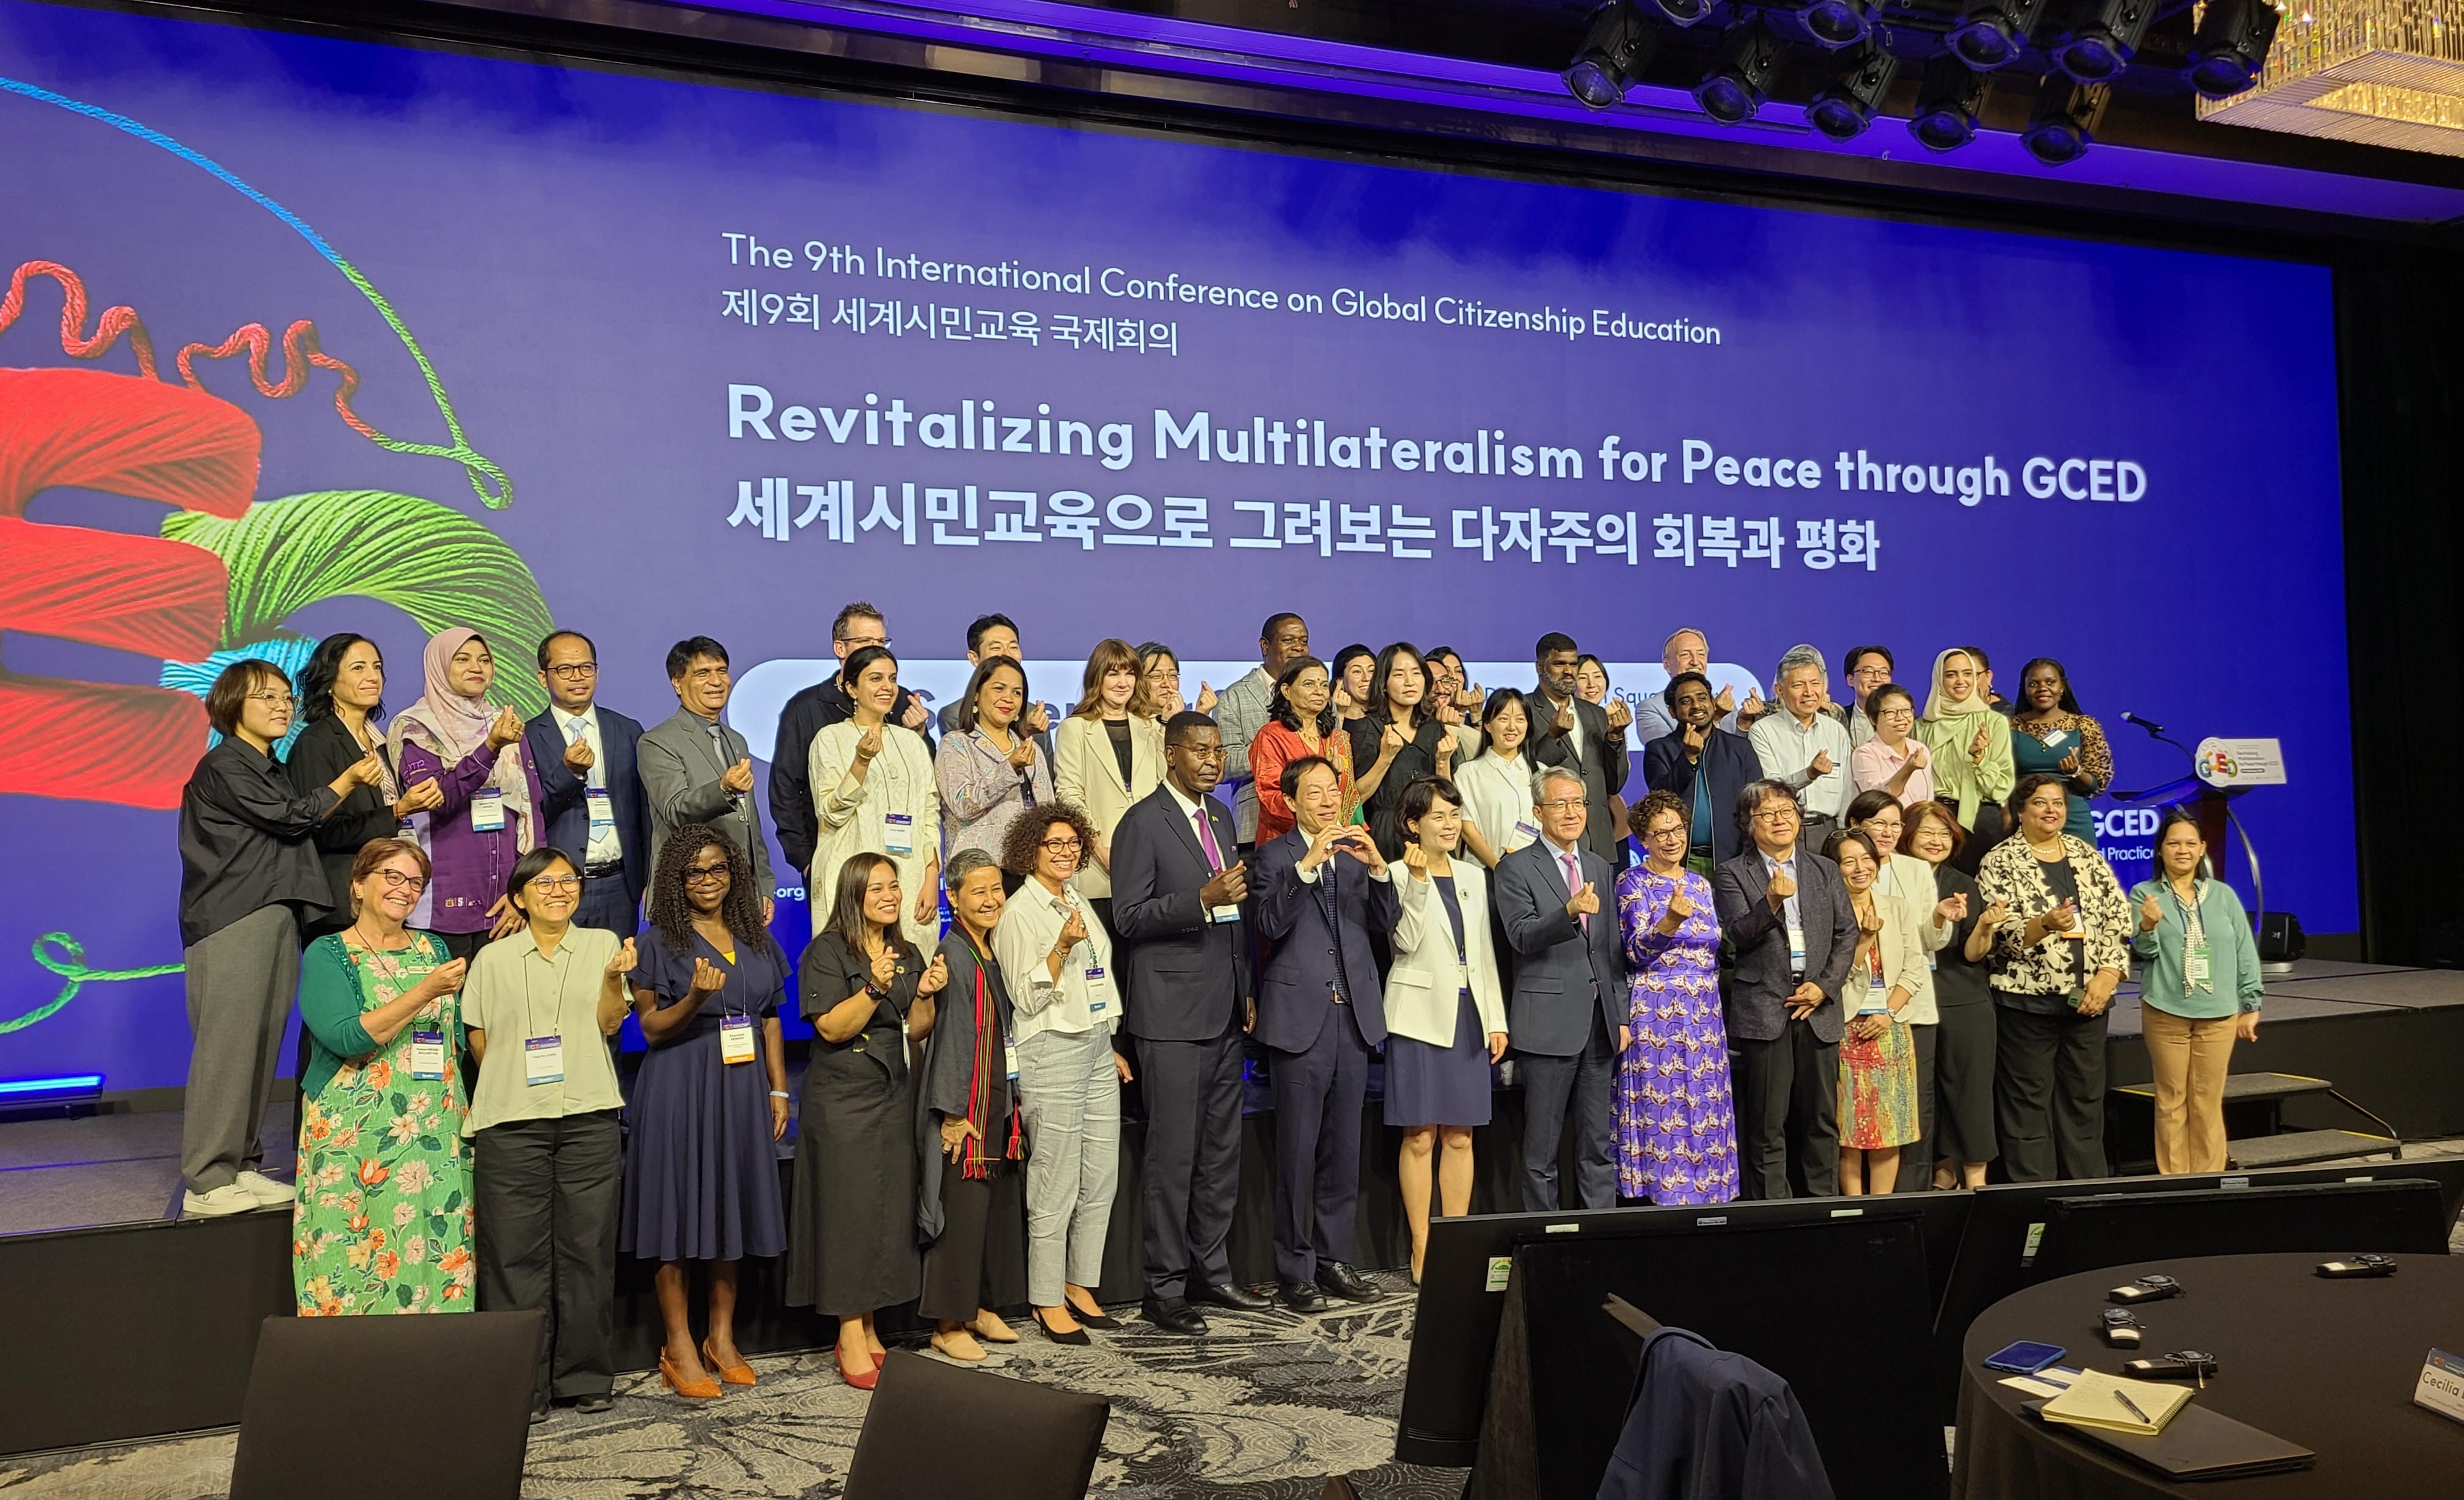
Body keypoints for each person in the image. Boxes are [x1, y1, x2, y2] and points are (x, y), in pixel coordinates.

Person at [177, 658, 384, 1216]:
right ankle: (205, 1180)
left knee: (260, 1043)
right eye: (264, 697)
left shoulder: (269, 765)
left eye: (284, 696)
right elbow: (293, 816)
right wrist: (347, 779)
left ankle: (241, 1164)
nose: (281, 705)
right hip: (232, 917)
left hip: (273, 912)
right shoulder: (225, 764)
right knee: (228, 1048)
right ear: (231, 707)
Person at [1110, 712, 1267, 1334]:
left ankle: (1213, 1272)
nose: (1212, 758)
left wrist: (1247, 986)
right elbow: (1128, 915)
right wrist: (1198, 901)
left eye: (1218, 748)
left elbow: (1236, 912)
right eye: (1200, 749)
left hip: (1226, 1007)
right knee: (1174, 1158)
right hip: (1171, 1015)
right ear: (1171, 754)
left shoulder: (1223, 817)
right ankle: (1164, 1287)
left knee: (1220, 1154)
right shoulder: (1142, 822)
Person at [622, 824, 790, 1399]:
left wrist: (779, 1089)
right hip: (678, 1084)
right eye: (695, 871)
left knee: (729, 1206)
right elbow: (650, 1028)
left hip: (742, 1088)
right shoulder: (655, 943)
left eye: (718, 869)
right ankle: (679, 1343)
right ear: (676, 878)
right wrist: (694, 997)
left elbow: (769, 1016)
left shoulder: (757, 938)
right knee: (676, 1212)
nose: (708, 881)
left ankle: (721, 1337)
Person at [463, 847, 632, 1416]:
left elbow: (612, 1024)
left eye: (568, 880)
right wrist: (519, 1084)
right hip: (511, 1120)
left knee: (587, 1251)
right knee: (514, 1257)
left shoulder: (604, 946)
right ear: (519, 897)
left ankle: (584, 1377)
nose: (559, 890)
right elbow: (479, 1042)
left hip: (588, 1117)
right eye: (544, 882)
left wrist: (613, 982)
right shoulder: (492, 959)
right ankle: (522, 1384)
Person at [787, 851, 947, 1388]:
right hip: (842, 1100)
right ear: (853, 894)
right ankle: (849, 1331)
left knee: (882, 1210)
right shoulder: (826, 950)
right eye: (876, 887)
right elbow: (831, 1027)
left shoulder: (906, 949)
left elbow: (917, 1028)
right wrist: (874, 988)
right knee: (847, 1215)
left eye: (894, 885)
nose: (890, 895)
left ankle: (873, 1325)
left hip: (892, 1093)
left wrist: (924, 993)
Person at [293, 838, 473, 1312]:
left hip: (434, 1130)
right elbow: (348, 1038)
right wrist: (426, 989)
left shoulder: (433, 946)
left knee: (436, 1249)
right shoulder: (328, 953)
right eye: (392, 876)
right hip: (356, 1133)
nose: (405, 889)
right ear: (358, 884)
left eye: (415, 881)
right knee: (356, 1263)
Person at [1253, 756, 1399, 1311]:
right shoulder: (1274, 856)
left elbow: (1387, 925)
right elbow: (1268, 925)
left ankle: (1335, 1258)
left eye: (1331, 789)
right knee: (1297, 1151)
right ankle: (1296, 1269)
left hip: (1354, 1018)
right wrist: (1307, 867)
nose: (1324, 799)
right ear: (1291, 802)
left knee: (1344, 1149)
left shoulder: (1357, 857)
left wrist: (1380, 867)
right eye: (1312, 792)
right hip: (1300, 1021)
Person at [994, 802, 1128, 1344]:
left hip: (1095, 1045)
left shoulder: (1076, 896)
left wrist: (1109, 1039)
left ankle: (1080, 1282)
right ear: (1031, 851)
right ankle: (1046, 1297)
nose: (1068, 852)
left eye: (1074, 843)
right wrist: (1061, 948)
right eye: (1055, 844)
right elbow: (1024, 995)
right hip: (1050, 1049)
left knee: (1100, 1177)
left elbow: (1096, 977)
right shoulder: (1019, 911)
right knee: (1055, 1184)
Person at [1385, 777, 1510, 1281]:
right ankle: (1423, 1245)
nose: (1450, 825)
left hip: (1468, 1013)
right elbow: (1405, 940)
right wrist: (1416, 886)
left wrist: (1496, 1018)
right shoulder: (1394, 873)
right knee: (1420, 1136)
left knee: (1460, 1136)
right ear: (1413, 824)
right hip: (1417, 1015)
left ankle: (1453, 1242)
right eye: (1438, 816)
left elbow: (1481, 949)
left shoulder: (1473, 875)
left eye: (1455, 816)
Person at [1976, 774, 2130, 1182]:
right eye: (2040, 803)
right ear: (2020, 812)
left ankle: (2088, 1196)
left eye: (2058, 803)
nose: (2051, 810)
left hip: (2091, 1003)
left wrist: (2109, 975)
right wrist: (2044, 923)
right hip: (2027, 1006)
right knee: (2027, 1109)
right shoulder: (2000, 860)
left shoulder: (2085, 854)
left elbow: (2118, 918)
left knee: (2084, 1104)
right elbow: (2000, 937)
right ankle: (2033, 1203)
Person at [1712, 780, 1857, 1199]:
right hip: (1765, 1009)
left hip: (1818, 1009)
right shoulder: (1732, 872)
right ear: (1747, 823)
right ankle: (1773, 1212)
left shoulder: (1824, 869)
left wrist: (1824, 987)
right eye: (1767, 813)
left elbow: (1847, 933)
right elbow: (1738, 935)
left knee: (1822, 1120)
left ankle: (1821, 1210)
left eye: (1787, 811)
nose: (1780, 820)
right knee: (1766, 1124)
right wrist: (1771, 902)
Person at [1496, 767, 1626, 1210]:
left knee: (1597, 1143)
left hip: (1599, 1023)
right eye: (1560, 804)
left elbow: (1611, 949)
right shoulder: (1515, 867)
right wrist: (1568, 911)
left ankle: (1600, 1239)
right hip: (1548, 1024)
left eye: (1578, 803)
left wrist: (1621, 1014)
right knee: (1542, 1151)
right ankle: (1545, 1241)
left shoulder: (1597, 865)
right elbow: (1521, 936)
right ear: (1538, 811)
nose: (1572, 813)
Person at [917, 850, 1028, 1362]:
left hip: (994, 1096)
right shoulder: (953, 952)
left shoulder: (987, 947)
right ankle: (947, 1320)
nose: (990, 899)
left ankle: (978, 1306)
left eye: (996, 889)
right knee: (958, 1214)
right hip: (966, 1106)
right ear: (953, 897)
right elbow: (955, 1039)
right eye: (977, 891)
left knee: (987, 1212)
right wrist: (955, 1113)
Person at [1615, 790, 1739, 1205]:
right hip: (1656, 1011)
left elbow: (1713, 946)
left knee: (1704, 1104)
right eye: (1659, 832)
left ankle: (1708, 1194)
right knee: (1665, 1109)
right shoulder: (1632, 882)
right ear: (1643, 840)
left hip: (1704, 1012)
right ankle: (1664, 1194)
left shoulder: (1701, 883)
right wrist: (1669, 921)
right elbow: (1635, 951)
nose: (1671, 838)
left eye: (1677, 829)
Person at [389, 627, 544, 957]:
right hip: (442, 903)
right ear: (439, 666)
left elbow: (531, 808)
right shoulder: (417, 728)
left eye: (484, 660)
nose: (477, 667)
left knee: (500, 1008)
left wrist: (524, 892)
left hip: (505, 902)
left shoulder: (504, 723)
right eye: (462, 659)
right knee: (446, 1007)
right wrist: (490, 749)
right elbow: (437, 801)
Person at [2130, 809, 2265, 1174]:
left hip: (2218, 1014)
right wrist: (2146, 925)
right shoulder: (2145, 894)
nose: (2183, 850)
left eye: (2191, 843)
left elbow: (2244, 951)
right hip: (2166, 1010)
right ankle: (2175, 1183)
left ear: (2202, 848)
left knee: (2207, 1101)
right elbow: (2145, 952)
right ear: (2160, 851)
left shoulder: (2222, 895)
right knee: (2171, 1101)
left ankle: (2210, 1179)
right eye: (2173, 843)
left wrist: (2251, 1003)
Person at [768, 601, 936, 885]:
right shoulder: (807, 708)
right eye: (865, 641)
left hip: (900, 864)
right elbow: (785, 788)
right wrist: (807, 860)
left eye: (882, 641)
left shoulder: (898, 699)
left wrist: (920, 733)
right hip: (837, 864)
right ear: (840, 648)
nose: (876, 648)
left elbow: (924, 785)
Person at [289, 632, 442, 943]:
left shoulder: (382, 742)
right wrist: (399, 810)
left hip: (387, 899)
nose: (373, 677)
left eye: (377, 667)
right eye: (358, 668)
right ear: (330, 681)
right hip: (343, 904)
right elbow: (323, 830)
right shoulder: (316, 742)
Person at [1846, 791, 1957, 1194]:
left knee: (1907, 1110)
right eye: (1880, 824)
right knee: (1854, 1116)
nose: (1890, 832)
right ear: (1858, 826)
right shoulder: (1838, 877)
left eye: (1896, 824)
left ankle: (1908, 1196)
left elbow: (1925, 943)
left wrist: (1941, 919)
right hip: (1852, 1013)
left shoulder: (1915, 870)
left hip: (1908, 1006)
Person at [805, 645, 939, 948]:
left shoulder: (912, 742)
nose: (887, 687)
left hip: (909, 879)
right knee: (855, 969)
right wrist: (861, 761)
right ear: (851, 688)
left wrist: (931, 878)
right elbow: (830, 813)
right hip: (852, 879)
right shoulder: (830, 739)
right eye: (876, 679)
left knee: (913, 973)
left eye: (892, 679)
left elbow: (929, 813)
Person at [639, 637, 776, 923]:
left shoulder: (735, 739)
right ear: (678, 683)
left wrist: (763, 885)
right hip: (688, 894)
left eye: (722, 671)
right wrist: (723, 789)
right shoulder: (657, 742)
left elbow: (749, 822)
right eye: (703, 673)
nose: (717, 681)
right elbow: (675, 809)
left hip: (739, 893)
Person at [524, 630, 651, 935]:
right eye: (564, 669)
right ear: (544, 678)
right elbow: (533, 815)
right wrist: (570, 773)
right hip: (558, 887)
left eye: (586, 668)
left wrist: (649, 877)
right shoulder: (527, 737)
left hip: (621, 885)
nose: (577, 677)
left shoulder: (627, 729)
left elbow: (644, 813)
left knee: (618, 976)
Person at [1901, 802, 2000, 1190]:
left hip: (1963, 1001)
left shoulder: (1964, 884)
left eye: (1944, 834)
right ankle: (1940, 1175)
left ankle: (1977, 1185)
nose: (1936, 841)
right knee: (1924, 1098)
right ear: (1907, 834)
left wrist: (1987, 927)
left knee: (1970, 1097)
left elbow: (1972, 953)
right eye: (1927, 832)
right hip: (1908, 1002)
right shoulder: (1889, 878)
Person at [1824, 829, 1923, 1196]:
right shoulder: (1828, 913)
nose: (1860, 867)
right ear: (1834, 869)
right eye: (1848, 861)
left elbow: (1914, 969)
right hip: (1846, 1028)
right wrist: (1864, 938)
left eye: (1867, 859)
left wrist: (1889, 1014)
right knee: (1848, 1128)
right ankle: (1854, 1210)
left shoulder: (1896, 907)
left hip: (1890, 1030)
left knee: (1889, 1127)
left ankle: (1883, 1209)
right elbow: (1836, 975)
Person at [1052, 638, 1162, 937]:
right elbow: (1069, 794)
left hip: (1150, 861)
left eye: (1129, 674)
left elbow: (1166, 787)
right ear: (1096, 678)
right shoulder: (1074, 728)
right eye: (1113, 674)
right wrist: (1098, 847)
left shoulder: (1151, 727)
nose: (1122, 683)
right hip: (1098, 863)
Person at [935, 654, 1054, 866]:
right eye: (999, 689)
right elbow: (963, 804)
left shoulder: (1031, 748)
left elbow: (1047, 811)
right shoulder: (956, 744)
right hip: (980, 869)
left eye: (1017, 693)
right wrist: (1010, 767)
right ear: (976, 695)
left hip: (1031, 867)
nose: (1008, 698)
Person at [1640, 673, 1763, 876]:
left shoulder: (1740, 748)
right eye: (1686, 701)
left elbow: (1757, 803)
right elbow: (1661, 799)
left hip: (1735, 860)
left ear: (1713, 703)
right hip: (1680, 861)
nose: (1696, 705)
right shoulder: (1659, 749)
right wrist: (1687, 757)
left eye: (1702, 698)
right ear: (1672, 711)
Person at [1529, 633, 1630, 868]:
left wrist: (1615, 738)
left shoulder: (1595, 714)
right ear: (1539, 667)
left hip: (1601, 843)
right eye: (1559, 664)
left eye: (1573, 664)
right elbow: (1528, 772)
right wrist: (1552, 737)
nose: (1568, 671)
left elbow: (1614, 784)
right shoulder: (1525, 709)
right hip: (1554, 844)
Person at [1212, 612, 1311, 849]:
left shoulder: (1319, 696)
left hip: (1316, 826)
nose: (1298, 647)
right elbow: (1225, 764)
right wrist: (1277, 748)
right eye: (1289, 640)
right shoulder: (1234, 697)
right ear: (1265, 646)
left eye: (1304, 641)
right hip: (1257, 824)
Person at [1351, 642, 1459, 858]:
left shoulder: (1435, 729)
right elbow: (1354, 800)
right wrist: (1385, 758)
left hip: (1430, 833)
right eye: (1399, 675)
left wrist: (1442, 762)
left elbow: (1447, 798)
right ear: (1384, 684)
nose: (1410, 682)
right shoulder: (1367, 729)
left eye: (1416, 673)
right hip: (1385, 836)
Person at [1915, 648, 2015, 865]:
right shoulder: (1923, 727)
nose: (1961, 681)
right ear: (1939, 679)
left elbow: (2001, 789)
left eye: (1967, 673)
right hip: (1934, 819)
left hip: (1981, 821)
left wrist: (1980, 760)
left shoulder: (1994, 722)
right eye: (1951, 674)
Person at [1749, 646, 1854, 851]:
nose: (1809, 692)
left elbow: (1847, 788)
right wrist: (1809, 774)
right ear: (1780, 691)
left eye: (1815, 684)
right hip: (1785, 830)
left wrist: (1844, 834)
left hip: (1829, 832)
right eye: (1798, 685)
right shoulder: (1763, 730)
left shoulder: (1836, 730)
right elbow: (1770, 788)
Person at [1250, 654, 1357, 845]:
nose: (1319, 692)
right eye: (1309, 684)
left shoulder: (1335, 737)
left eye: (1324, 685)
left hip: (1334, 838)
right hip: (1287, 842)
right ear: (1286, 691)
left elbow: (1349, 797)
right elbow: (1270, 797)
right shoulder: (1271, 735)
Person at [2008, 658, 2113, 843]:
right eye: (2034, 684)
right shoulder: (2008, 727)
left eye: (2050, 682)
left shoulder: (2084, 726)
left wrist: (2076, 772)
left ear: (2062, 687)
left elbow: (2097, 784)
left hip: (2073, 818)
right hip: (2027, 818)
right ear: (2025, 690)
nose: (2042, 688)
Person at [933, 613, 1054, 764]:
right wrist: (1023, 732)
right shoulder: (954, 715)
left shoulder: (1034, 715)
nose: (1007, 654)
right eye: (996, 647)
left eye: (1013, 647)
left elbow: (1046, 777)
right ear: (974, 658)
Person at [1453, 688, 1540, 872]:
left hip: (1536, 872)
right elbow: (1468, 830)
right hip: (1486, 871)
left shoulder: (1541, 772)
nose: (1512, 727)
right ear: (1487, 725)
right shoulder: (1468, 773)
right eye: (1503, 719)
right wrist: (1498, 866)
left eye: (1520, 719)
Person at [1630, 628, 1765, 742]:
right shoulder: (1651, 708)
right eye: (1685, 655)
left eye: (1701, 654)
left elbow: (1737, 751)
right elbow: (1667, 753)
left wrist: (1745, 722)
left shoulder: (1722, 703)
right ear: (1667, 664)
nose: (1695, 662)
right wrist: (1715, 717)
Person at [1850, 683, 1935, 810]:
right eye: (1890, 712)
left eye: (1906, 711)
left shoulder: (1919, 749)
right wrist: (1908, 769)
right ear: (1873, 719)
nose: (1901, 718)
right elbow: (1876, 801)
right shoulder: (1865, 754)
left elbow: (1928, 798)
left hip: (1920, 826)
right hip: (1888, 827)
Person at [1425, 646, 1486, 764]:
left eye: (1458, 671)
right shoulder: (1421, 723)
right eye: (1447, 673)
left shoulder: (1472, 720)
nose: (1454, 677)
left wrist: (1476, 716)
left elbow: (1482, 758)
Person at [1134, 642, 1218, 721]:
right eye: (1157, 676)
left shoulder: (1182, 721)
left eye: (1173, 676)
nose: (1167, 684)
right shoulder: (1130, 722)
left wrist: (1201, 715)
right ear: (1136, 680)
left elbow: (1187, 736)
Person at [1840, 646, 1894, 747]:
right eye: (1868, 672)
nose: (1877, 679)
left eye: (1884, 673)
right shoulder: (1837, 720)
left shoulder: (1904, 721)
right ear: (1850, 680)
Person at [1329, 643, 1376, 734]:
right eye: (1357, 672)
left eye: (1371, 671)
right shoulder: (1324, 720)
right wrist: (1338, 714)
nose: (1367, 678)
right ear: (1340, 681)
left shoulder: (1388, 717)